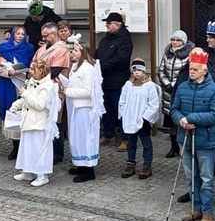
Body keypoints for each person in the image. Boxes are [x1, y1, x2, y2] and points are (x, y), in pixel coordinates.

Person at [171, 50, 215, 221]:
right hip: (184, 137)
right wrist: (181, 120)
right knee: (191, 177)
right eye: (190, 68)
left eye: (195, 69)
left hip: (205, 140)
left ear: (204, 70)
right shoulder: (182, 87)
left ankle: (207, 211)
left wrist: (191, 118)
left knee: (206, 178)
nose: (191, 72)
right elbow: (174, 109)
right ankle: (196, 208)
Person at [10, 59, 61, 187]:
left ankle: (42, 175)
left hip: (39, 122)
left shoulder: (47, 86)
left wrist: (25, 93)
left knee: (39, 149)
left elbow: (39, 104)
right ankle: (28, 171)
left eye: (33, 69)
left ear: (41, 71)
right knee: (28, 147)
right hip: (28, 120)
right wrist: (16, 105)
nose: (30, 71)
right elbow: (26, 99)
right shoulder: (32, 82)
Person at [63, 39, 104, 183]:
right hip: (75, 107)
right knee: (76, 137)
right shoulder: (75, 66)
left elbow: (88, 91)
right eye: (71, 50)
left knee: (85, 138)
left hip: (85, 108)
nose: (72, 53)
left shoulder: (88, 68)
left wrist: (67, 91)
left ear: (83, 52)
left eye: (75, 50)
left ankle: (88, 170)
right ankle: (80, 164)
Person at [33, 22, 71, 163]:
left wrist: (37, 75)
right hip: (39, 87)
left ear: (54, 34)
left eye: (46, 36)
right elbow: (33, 63)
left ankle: (57, 153)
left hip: (54, 88)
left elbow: (56, 69)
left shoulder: (62, 49)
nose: (43, 38)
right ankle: (43, 149)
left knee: (56, 120)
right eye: (42, 35)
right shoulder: (42, 48)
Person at [0, 26, 34, 160]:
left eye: (23, 34)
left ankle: (25, 147)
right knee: (11, 114)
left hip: (22, 86)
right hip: (7, 85)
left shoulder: (29, 49)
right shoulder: (3, 48)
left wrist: (22, 71)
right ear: (13, 35)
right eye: (18, 33)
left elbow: (31, 65)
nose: (21, 36)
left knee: (23, 115)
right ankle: (15, 147)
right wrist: (8, 72)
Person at [96, 12, 133, 151]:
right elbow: (98, 53)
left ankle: (125, 138)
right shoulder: (106, 39)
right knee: (106, 109)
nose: (106, 25)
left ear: (117, 25)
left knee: (120, 110)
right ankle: (108, 133)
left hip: (118, 80)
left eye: (109, 23)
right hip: (104, 80)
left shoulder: (125, 40)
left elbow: (121, 58)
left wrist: (102, 65)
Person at [119, 58, 161, 180]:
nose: (136, 72)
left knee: (146, 143)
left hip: (143, 120)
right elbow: (122, 101)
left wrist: (145, 118)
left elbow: (153, 104)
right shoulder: (128, 85)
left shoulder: (149, 86)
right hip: (130, 119)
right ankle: (130, 163)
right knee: (131, 142)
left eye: (139, 70)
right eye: (134, 70)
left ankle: (147, 165)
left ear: (143, 71)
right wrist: (123, 114)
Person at [157, 30, 193, 158]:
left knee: (181, 121)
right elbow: (161, 70)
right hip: (168, 93)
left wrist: (175, 84)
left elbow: (187, 73)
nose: (175, 42)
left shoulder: (188, 55)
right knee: (170, 122)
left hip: (181, 91)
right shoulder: (167, 54)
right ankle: (174, 146)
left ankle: (184, 146)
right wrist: (167, 84)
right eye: (173, 40)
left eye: (178, 40)